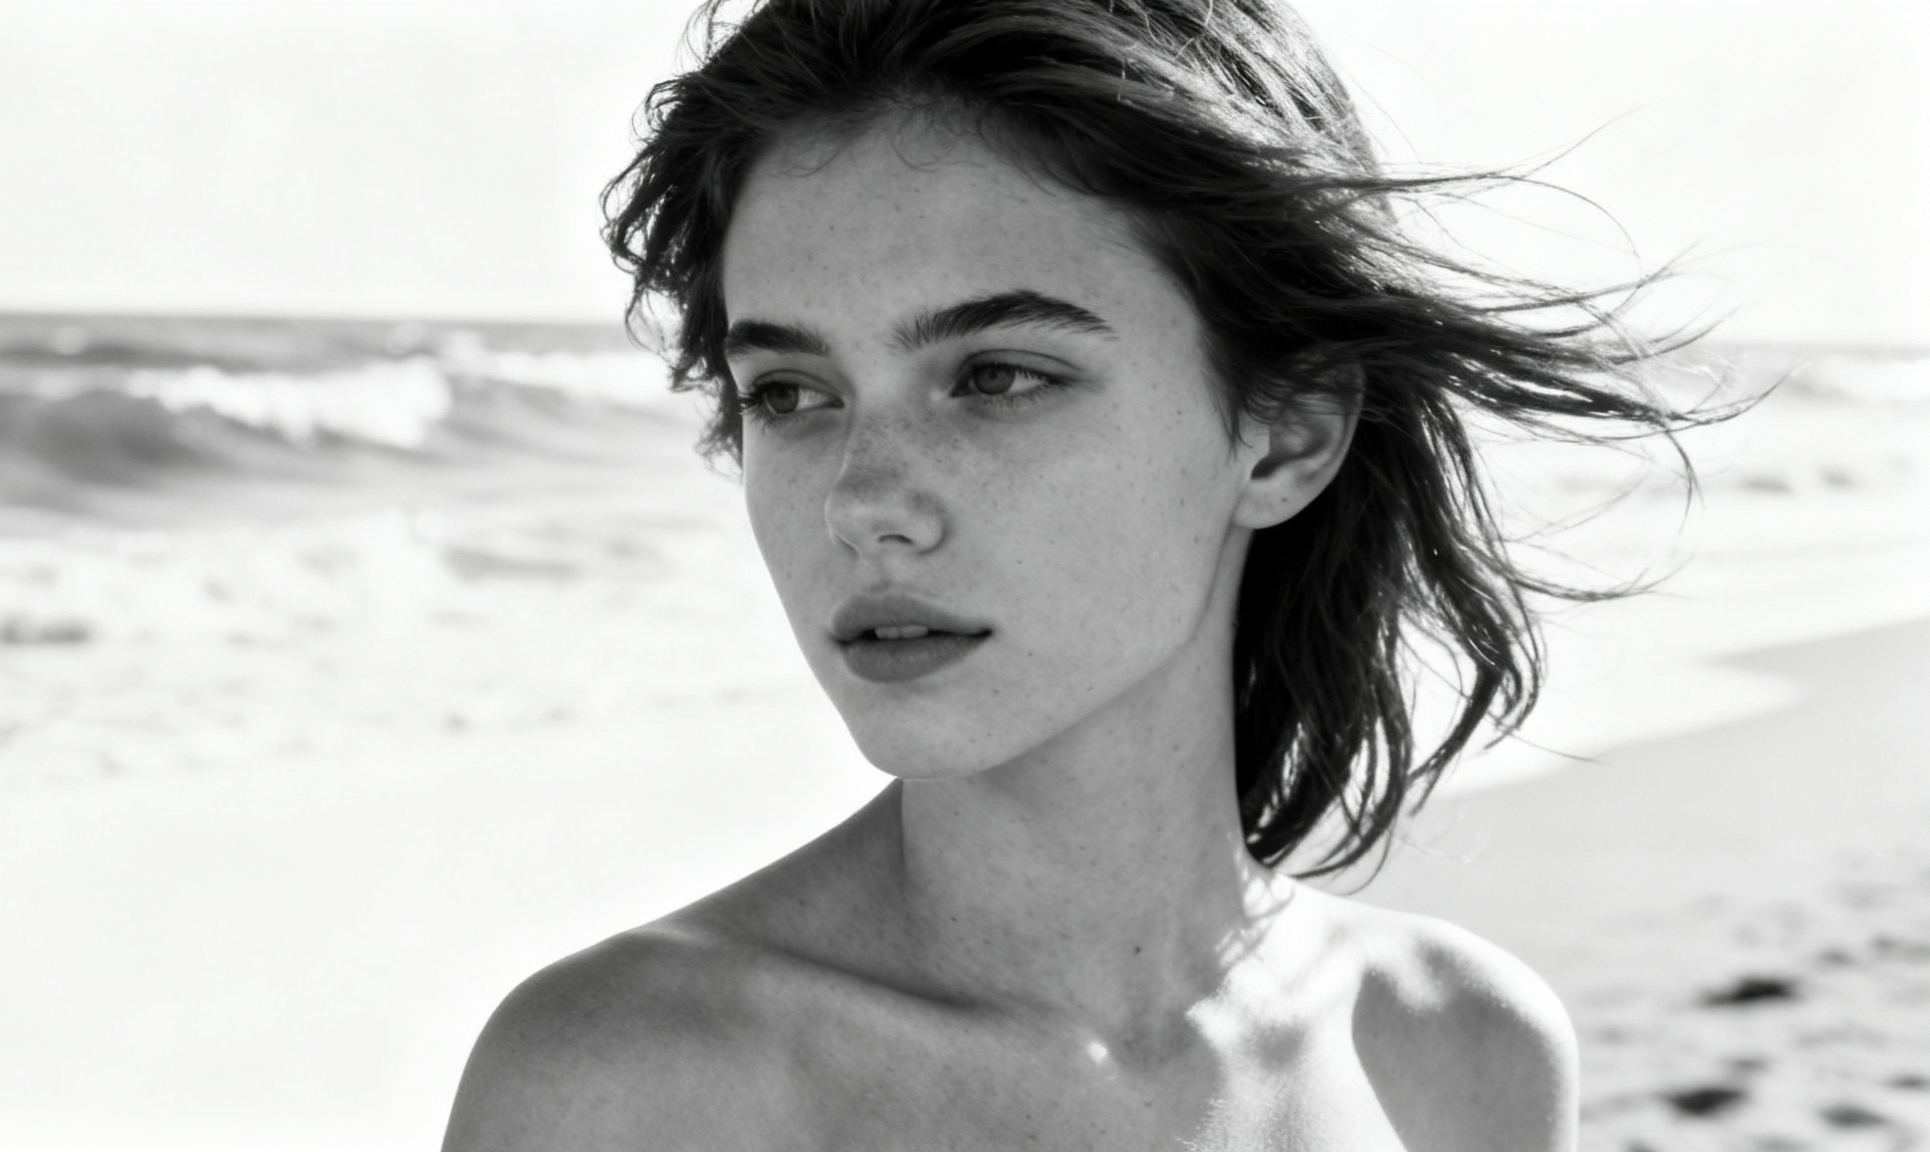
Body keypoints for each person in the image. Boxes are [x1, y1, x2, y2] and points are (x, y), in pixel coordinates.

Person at [444, 2, 1692, 1148]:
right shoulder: (631, 1088)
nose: (863, 501)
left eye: (995, 375)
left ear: (1290, 434)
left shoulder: (1453, 1056)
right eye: (790, 393)